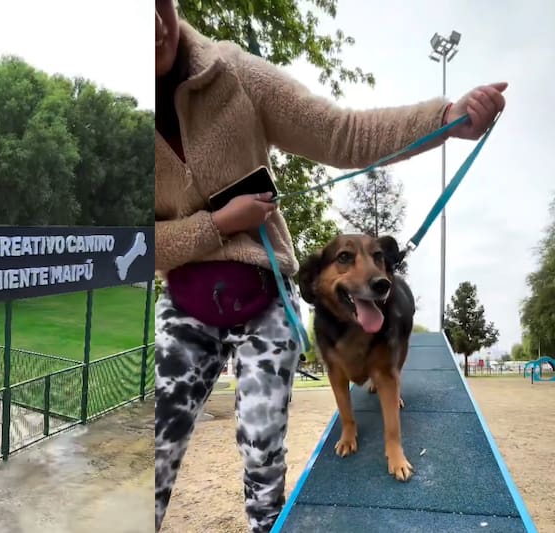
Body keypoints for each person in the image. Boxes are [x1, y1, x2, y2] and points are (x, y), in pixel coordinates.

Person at [154, 1, 506, 532]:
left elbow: (341, 132)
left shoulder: (232, 73)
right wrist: (219, 224)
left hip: (261, 298)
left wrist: (444, 120)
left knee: (262, 449)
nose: (156, 24)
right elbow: (127, 246)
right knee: (151, 454)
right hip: (185, 306)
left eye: (158, 3)